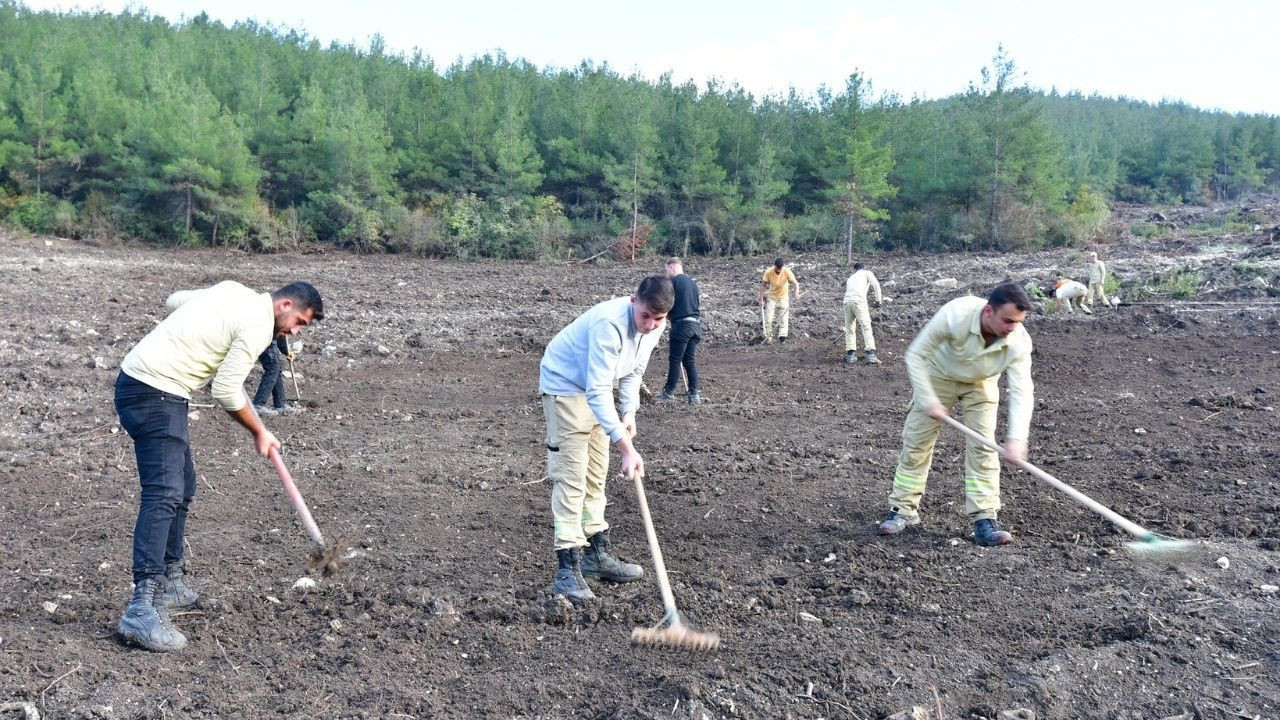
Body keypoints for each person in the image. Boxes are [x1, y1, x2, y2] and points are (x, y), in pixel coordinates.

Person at [114, 280, 324, 651]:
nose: (294, 332)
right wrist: (260, 431)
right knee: (164, 493)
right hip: (154, 390)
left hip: (155, 388)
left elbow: (175, 298)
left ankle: (172, 581)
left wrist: (201, 337)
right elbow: (226, 390)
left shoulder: (232, 292)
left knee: (183, 487)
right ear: (286, 304)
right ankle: (141, 607)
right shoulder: (258, 326)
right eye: (300, 322)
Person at [539, 275, 673, 604]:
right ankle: (567, 570)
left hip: (594, 390)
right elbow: (599, 391)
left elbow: (632, 372)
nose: (650, 325)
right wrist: (626, 448)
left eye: (659, 319)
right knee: (572, 477)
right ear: (633, 301)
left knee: (595, 474)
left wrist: (629, 413)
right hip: (565, 386)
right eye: (645, 316)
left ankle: (596, 556)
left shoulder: (654, 328)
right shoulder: (608, 325)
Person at [878, 282, 1034, 547]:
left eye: (1018, 322)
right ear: (988, 312)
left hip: (982, 383)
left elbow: (1021, 389)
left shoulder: (1018, 341)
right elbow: (916, 354)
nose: (1012, 327)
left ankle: (984, 518)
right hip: (939, 375)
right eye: (1007, 320)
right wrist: (928, 399)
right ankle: (903, 509)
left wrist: (1017, 438)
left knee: (983, 448)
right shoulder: (954, 315)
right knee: (916, 444)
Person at [657, 257, 702, 405]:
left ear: (671, 268)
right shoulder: (694, 284)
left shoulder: (672, 282)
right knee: (689, 360)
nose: (667, 273)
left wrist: (666, 317)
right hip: (695, 326)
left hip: (681, 326)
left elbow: (667, 304)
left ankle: (669, 392)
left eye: (666, 270)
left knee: (675, 360)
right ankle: (694, 394)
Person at [842, 261, 883, 364]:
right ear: (863, 267)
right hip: (859, 302)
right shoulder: (867, 273)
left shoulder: (851, 278)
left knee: (850, 328)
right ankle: (870, 355)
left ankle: (850, 355)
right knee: (866, 327)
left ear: (855, 269)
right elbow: (876, 285)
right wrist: (878, 300)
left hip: (847, 302)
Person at [760, 257, 800, 344]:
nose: (778, 270)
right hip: (771, 298)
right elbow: (763, 286)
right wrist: (761, 299)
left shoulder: (787, 272)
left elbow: (796, 284)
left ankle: (782, 339)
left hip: (783, 298)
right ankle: (768, 338)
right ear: (775, 266)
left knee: (784, 319)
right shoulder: (769, 272)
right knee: (768, 319)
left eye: (780, 268)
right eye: (777, 268)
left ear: (783, 267)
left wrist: (796, 293)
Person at [252, 336, 294, 416]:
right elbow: (280, 328)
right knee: (272, 368)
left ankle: (280, 404)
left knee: (275, 368)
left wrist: (286, 351)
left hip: (267, 339)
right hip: (265, 338)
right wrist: (286, 350)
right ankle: (258, 404)